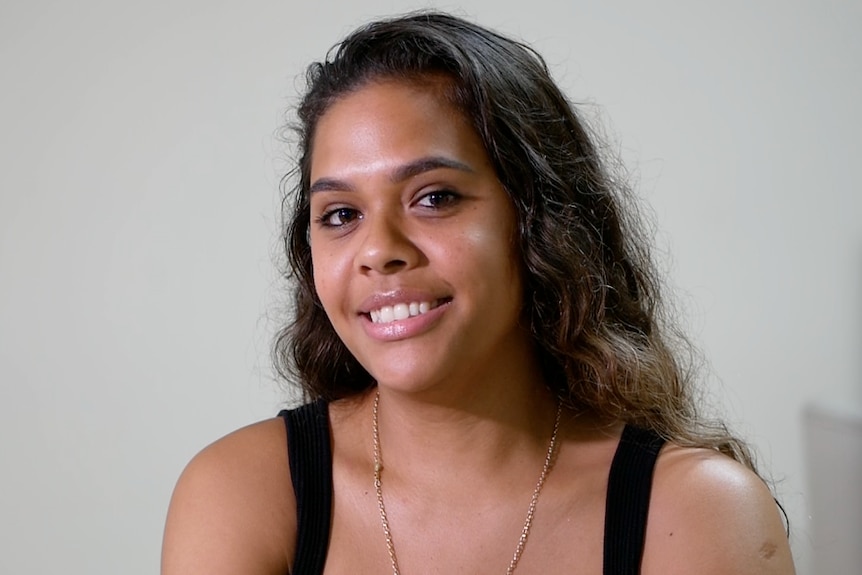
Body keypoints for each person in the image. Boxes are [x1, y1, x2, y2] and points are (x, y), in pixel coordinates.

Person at [161, 11, 795, 575]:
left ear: (540, 221)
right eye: (339, 214)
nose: (379, 248)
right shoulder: (243, 493)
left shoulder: (695, 513)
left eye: (434, 197)